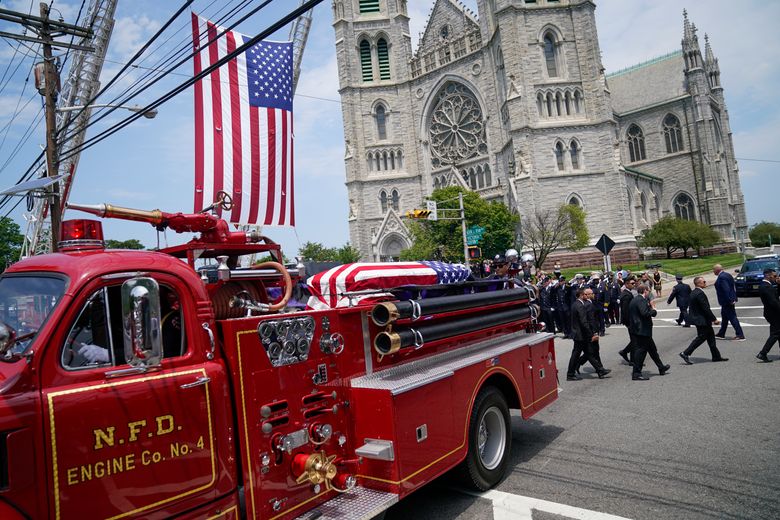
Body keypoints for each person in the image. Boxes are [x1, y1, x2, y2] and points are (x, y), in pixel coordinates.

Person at [679, 277, 728, 364]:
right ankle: (685, 353)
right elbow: (705, 308)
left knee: (711, 338)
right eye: (704, 281)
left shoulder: (694, 292)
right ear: (698, 283)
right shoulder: (699, 294)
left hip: (699, 319)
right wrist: (714, 319)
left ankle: (716, 356)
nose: (705, 283)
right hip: (702, 320)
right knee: (701, 338)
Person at [566, 287, 610, 381]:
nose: (587, 296)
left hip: (579, 334)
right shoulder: (580, 306)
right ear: (581, 295)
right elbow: (584, 322)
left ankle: (600, 370)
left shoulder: (575, 304)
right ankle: (570, 374)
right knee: (577, 354)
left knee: (589, 353)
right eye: (585, 294)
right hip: (580, 334)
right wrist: (591, 334)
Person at [628, 284, 670, 380]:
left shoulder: (634, 300)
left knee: (652, 350)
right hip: (642, 330)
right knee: (641, 352)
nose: (649, 293)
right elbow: (645, 313)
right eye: (648, 291)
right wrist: (653, 311)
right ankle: (636, 373)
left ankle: (661, 367)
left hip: (640, 330)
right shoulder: (641, 300)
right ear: (645, 291)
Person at [713, 264, 745, 341]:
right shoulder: (728, 275)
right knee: (724, 318)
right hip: (727, 301)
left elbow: (726, 289)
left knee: (732, 318)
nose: (713, 271)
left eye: (713, 270)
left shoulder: (722, 277)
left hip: (727, 301)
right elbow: (733, 287)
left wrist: (730, 300)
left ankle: (740, 335)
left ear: (717, 270)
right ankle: (721, 333)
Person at [756, 268, 780, 362]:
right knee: (775, 334)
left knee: (778, 333)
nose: (776, 277)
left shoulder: (768, 285)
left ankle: (763, 353)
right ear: (768, 275)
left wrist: (778, 285)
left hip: (772, 313)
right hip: (773, 314)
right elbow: (773, 302)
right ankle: (763, 353)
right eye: (774, 276)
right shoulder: (765, 286)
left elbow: (776, 295)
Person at [617, 276, 637, 364]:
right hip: (629, 321)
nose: (634, 284)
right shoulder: (626, 295)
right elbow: (625, 311)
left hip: (631, 320)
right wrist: (628, 322)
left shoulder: (628, 293)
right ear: (626, 284)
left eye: (634, 283)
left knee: (634, 340)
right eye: (632, 283)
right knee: (634, 340)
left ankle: (627, 354)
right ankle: (627, 355)